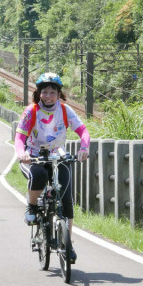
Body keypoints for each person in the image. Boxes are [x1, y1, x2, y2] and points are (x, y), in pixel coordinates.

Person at [14, 72, 90, 262]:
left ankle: (68, 243)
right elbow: (19, 138)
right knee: (38, 175)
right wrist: (22, 154)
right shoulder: (31, 111)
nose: (48, 96)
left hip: (57, 154)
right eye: (45, 92)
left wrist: (84, 148)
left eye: (52, 92)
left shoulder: (64, 110)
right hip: (33, 155)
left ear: (58, 94)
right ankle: (31, 207)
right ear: (39, 93)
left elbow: (83, 131)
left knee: (66, 199)